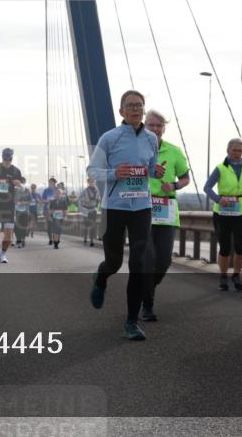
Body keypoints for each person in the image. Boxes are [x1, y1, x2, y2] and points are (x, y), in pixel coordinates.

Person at [87, 90, 164, 341]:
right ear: (121, 111)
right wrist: (113, 173)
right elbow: (93, 170)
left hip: (141, 207)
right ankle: (102, 277)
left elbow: (150, 168)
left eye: (140, 105)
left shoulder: (152, 139)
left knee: (138, 265)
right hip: (115, 208)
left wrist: (156, 171)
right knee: (114, 262)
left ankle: (131, 322)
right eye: (130, 105)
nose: (136, 109)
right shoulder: (109, 138)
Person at [141, 109, 190, 322]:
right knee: (148, 259)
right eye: (151, 125)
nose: (155, 129)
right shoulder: (136, 149)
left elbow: (185, 178)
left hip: (167, 209)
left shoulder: (174, 151)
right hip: (142, 209)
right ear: (144, 126)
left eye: (159, 125)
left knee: (164, 261)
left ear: (164, 128)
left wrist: (175, 185)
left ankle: (145, 291)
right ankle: (147, 305)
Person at [203, 139, 242, 291]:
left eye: (240, 151)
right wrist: (219, 199)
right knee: (225, 247)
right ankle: (223, 276)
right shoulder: (221, 168)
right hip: (222, 212)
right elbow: (207, 187)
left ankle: (237, 275)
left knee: (240, 247)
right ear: (228, 151)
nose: (237, 153)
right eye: (234, 150)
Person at [0, 148, 24, 264]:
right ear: (2, 157)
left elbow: (21, 188)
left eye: (9, 158)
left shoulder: (16, 171)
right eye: (5, 158)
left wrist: (19, 185)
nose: (7, 161)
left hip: (9, 205)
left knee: (8, 232)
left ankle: (3, 254)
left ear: (12, 158)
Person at [79, 177, 101, 247]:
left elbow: (99, 199)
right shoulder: (85, 190)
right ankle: (85, 238)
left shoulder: (97, 190)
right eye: (90, 182)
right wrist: (85, 199)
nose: (91, 183)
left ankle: (91, 240)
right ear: (88, 182)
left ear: (94, 182)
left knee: (93, 225)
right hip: (86, 210)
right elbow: (80, 199)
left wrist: (97, 199)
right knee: (86, 225)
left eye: (92, 181)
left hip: (93, 209)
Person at [13, 180, 32, 248]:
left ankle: (23, 239)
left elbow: (30, 200)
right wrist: (15, 202)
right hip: (16, 211)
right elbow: (10, 199)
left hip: (25, 211)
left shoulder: (27, 190)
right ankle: (18, 240)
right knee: (16, 226)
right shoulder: (14, 191)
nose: (16, 184)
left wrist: (25, 202)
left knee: (24, 226)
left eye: (17, 183)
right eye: (15, 183)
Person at [41, 177, 57, 244]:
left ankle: (54, 238)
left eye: (51, 183)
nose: (50, 184)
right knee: (49, 226)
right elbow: (42, 200)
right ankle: (50, 239)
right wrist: (46, 201)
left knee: (55, 225)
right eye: (49, 183)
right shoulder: (46, 190)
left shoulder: (57, 190)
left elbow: (61, 199)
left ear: (54, 183)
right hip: (47, 210)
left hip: (56, 211)